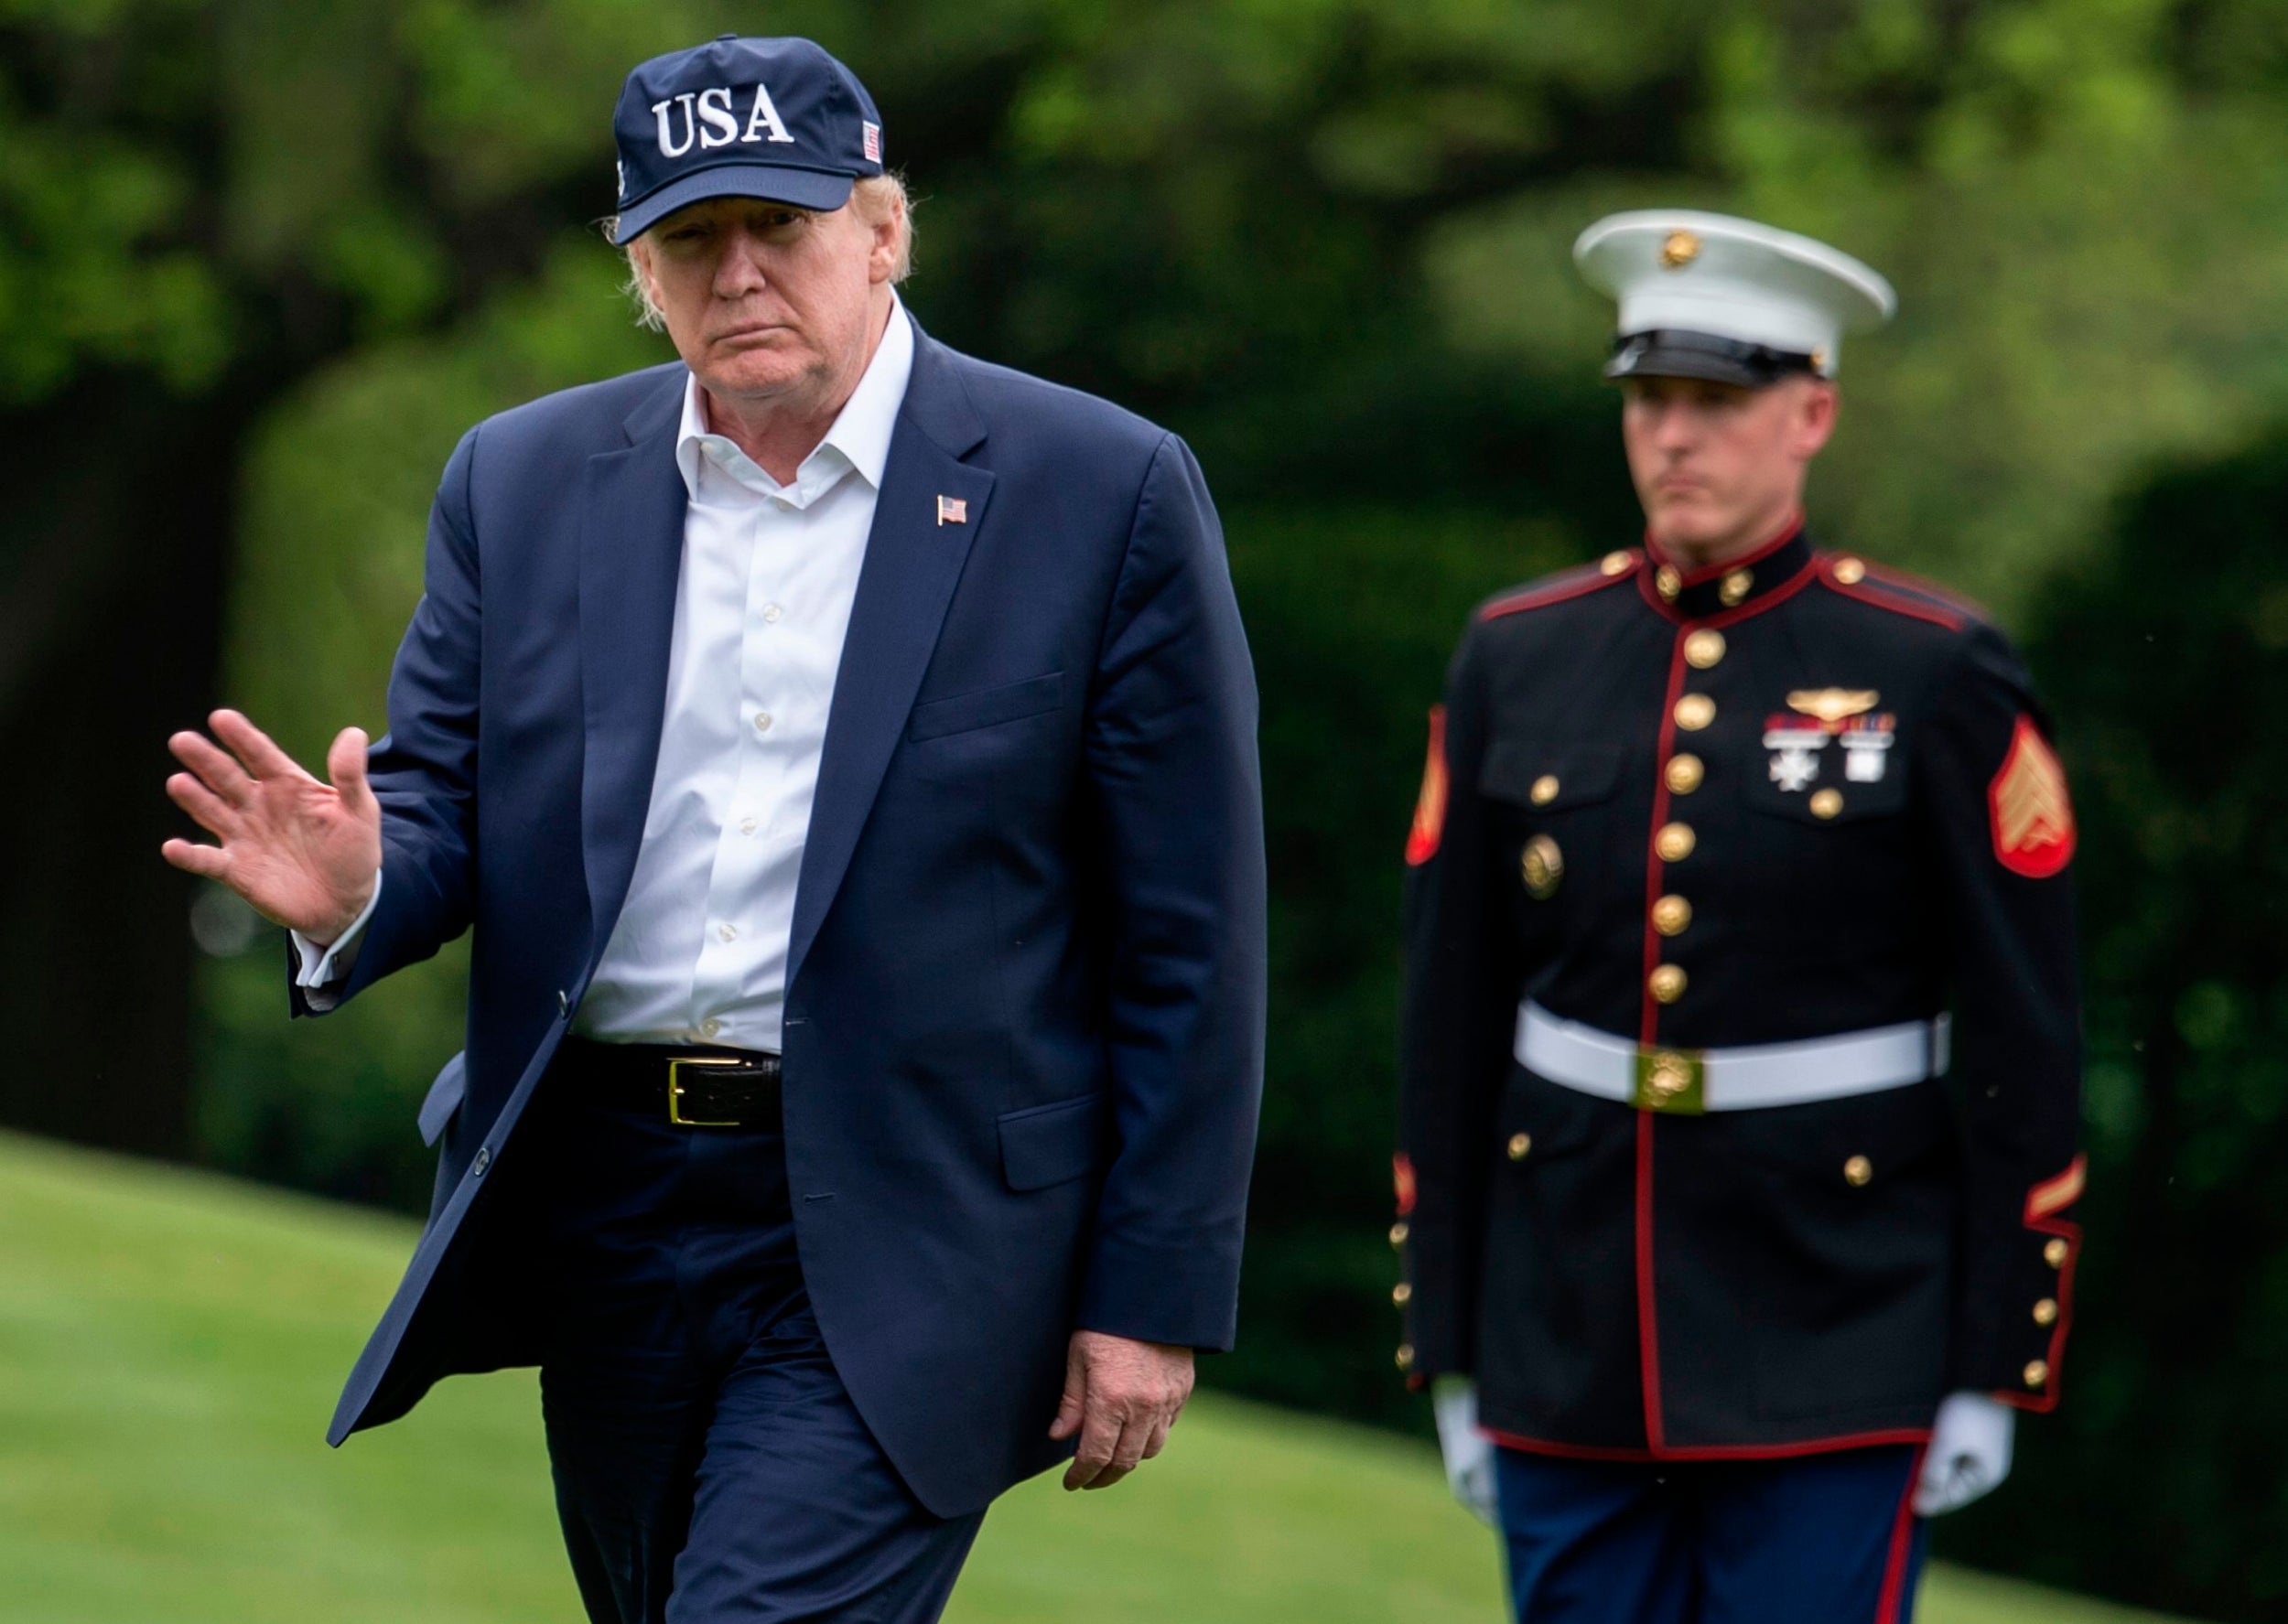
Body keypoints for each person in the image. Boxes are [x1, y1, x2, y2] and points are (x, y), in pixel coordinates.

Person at [160, 35, 1265, 1624]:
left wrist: (1152, 1294)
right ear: (642, 271)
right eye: (691, 240)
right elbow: (444, 801)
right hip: (603, 1200)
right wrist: (361, 885)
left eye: (783, 228)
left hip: (913, 1216)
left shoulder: (1100, 489)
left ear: (883, 233)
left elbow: (1192, 933)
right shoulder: (523, 481)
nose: (739, 274)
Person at [1392, 210, 2083, 1621]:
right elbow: (1448, 1019)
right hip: (1568, 1320)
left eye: (1720, 401)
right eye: (1651, 398)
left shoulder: (1933, 668)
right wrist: (1450, 1343)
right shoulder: (1520, 655)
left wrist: (1991, 1360)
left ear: (1812, 412)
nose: (1675, 438)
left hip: (1841, 1323)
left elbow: (2025, 1034)